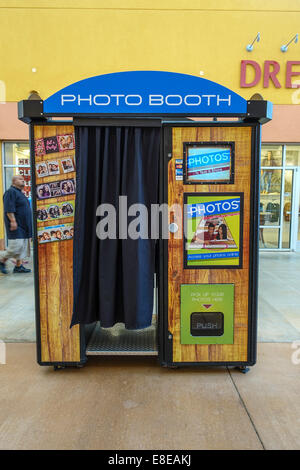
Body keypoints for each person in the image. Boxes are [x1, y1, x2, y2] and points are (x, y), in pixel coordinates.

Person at [0, 175, 32, 274]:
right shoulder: (10, 192)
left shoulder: (20, 193)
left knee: (22, 248)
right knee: (16, 246)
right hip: (16, 225)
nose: (23, 181)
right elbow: (9, 208)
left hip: (24, 226)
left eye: (23, 179)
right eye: (20, 179)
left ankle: (18, 267)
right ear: (14, 181)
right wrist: (13, 221)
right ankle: (1, 259)